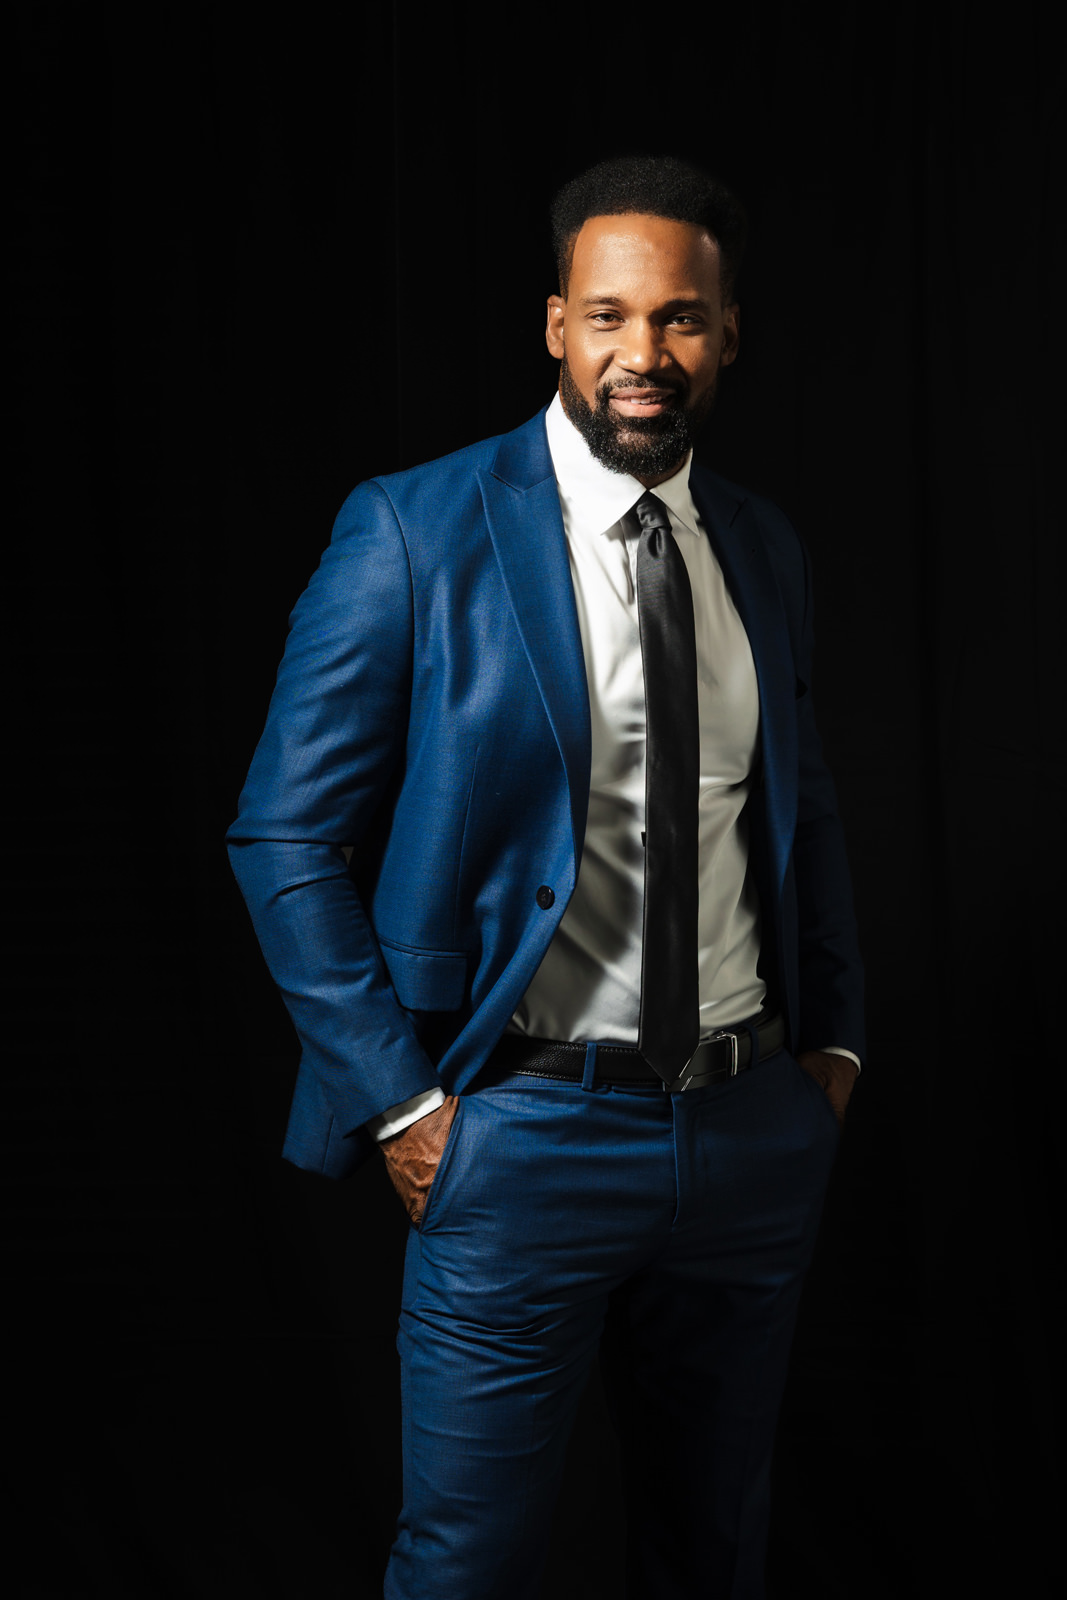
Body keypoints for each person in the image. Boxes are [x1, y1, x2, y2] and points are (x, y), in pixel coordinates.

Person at [227, 154, 864, 1600]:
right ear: (557, 326)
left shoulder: (761, 547)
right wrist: (405, 1107)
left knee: (715, 1555)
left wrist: (832, 1050)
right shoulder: (413, 529)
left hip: (748, 1135)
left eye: (681, 318)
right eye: (611, 315)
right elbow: (283, 836)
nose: (645, 352)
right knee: (469, 1569)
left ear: (728, 334)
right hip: (519, 1139)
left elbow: (802, 810)